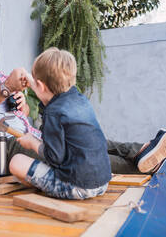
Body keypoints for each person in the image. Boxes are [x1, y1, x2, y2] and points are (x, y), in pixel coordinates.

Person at [0, 31, 166, 176]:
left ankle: (141, 150)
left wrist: (20, 102)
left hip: (28, 136)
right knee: (73, 155)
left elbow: (23, 112)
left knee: (78, 138)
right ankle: (137, 166)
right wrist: (6, 89)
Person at [9, 47, 111, 199]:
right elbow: (48, 97)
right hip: (102, 182)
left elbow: (54, 157)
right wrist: (33, 82)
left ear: (41, 86)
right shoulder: (79, 98)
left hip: (77, 186)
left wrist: (32, 143)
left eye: (35, 84)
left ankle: (50, 188)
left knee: (16, 162)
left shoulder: (53, 113)